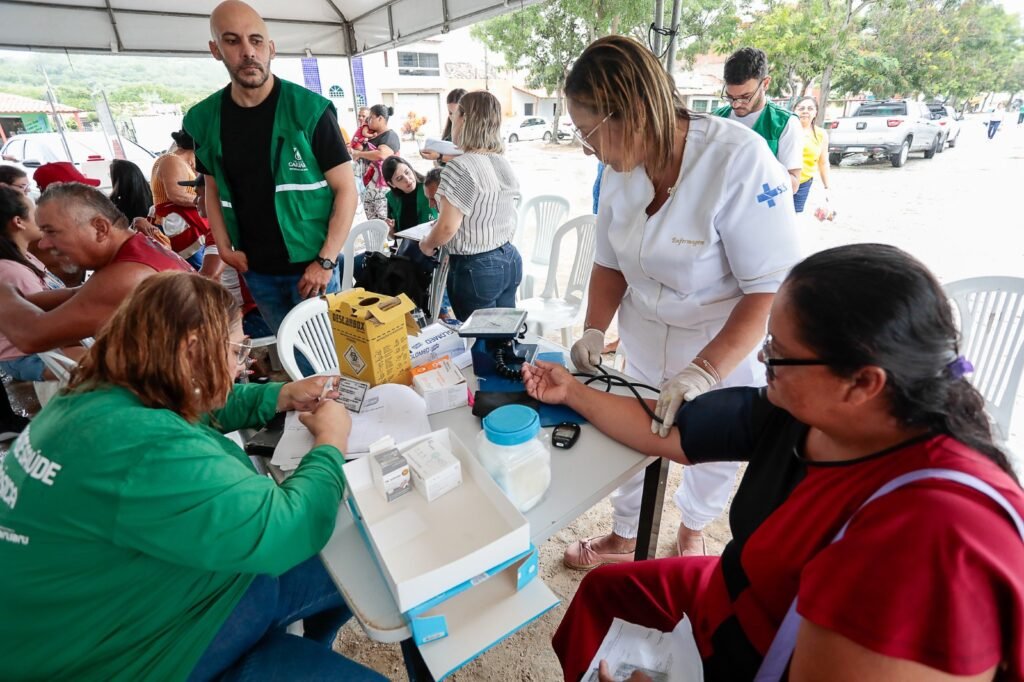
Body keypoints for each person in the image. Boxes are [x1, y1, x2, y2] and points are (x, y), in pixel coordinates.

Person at [530, 243, 1024, 681]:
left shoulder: (935, 540)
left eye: (780, 353)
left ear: (863, 382)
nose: (764, 362)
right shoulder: (810, 410)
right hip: (745, 592)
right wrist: (572, 392)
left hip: (773, 642)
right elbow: (673, 431)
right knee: (606, 591)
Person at [0, 272, 387, 681]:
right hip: (134, 654)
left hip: (141, 603)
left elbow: (186, 403)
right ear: (192, 350)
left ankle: (296, 640)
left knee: (360, 555)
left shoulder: (103, 391)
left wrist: (278, 395)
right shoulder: (142, 449)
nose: (243, 366)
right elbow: (289, 525)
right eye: (238, 351)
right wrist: (330, 439)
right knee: (355, 557)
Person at [563, 36, 799, 568]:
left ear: (635, 113)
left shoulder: (737, 160)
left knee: (710, 445)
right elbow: (609, 260)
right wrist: (594, 329)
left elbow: (769, 286)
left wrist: (705, 372)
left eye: (589, 132)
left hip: (719, 339)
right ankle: (625, 531)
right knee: (631, 429)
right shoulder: (618, 169)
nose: (586, 148)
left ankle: (691, 529)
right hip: (646, 330)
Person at [183, 0, 358, 334]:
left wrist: (325, 261)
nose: (248, 52)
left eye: (256, 40)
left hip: (311, 267)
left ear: (271, 48)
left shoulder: (310, 111)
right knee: (289, 351)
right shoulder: (204, 119)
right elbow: (213, 188)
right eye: (232, 41)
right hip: (256, 270)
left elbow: (346, 190)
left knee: (327, 357)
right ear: (215, 50)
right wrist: (223, 248)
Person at [0, 182, 192, 356]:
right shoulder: (135, 247)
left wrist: (4, 293)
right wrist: (17, 299)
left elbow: (32, 337)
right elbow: (77, 294)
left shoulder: (126, 275)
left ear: (100, 228)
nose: (43, 244)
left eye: (51, 232)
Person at [419, 90, 523, 321]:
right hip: (509, 258)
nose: (451, 121)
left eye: (454, 115)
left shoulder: (461, 166)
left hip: (477, 268)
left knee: (481, 343)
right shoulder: (501, 162)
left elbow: (446, 228)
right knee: (504, 339)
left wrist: (426, 245)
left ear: (464, 119)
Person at [0, 186, 86, 382]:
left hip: (41, 345)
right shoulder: (10, 271)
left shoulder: (24, 256)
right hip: (26, 357)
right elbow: (46, 321)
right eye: (35, 212)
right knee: (107, 363)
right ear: (18, 222)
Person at [714, 47, 802, 192]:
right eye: (730, 97)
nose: (736, 104)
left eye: (745, 97)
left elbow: (793, 184)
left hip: (760, 209)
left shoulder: (785, 123)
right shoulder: (717, 119)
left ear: (765, 83)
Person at [150, 129, 211, 268]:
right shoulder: (172, 160)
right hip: (179, 224)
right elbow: (177, 195)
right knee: (200, 270)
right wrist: (211, 202)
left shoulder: (181, 162)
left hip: (186, 223)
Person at [351, 104, 400, 222]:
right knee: (373, 226)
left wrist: (359, 154)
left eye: (370, 117)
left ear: (380, 118)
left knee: (385, 225)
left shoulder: (390, 136)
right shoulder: (371, 136)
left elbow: (381, 154)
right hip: (369, 189)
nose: (368, 121)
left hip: (382, 190)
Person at [792, 96, 831, 214]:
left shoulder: (821, 134)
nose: (805, 111)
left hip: (804, 183)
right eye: (801, 108)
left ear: (815, 112)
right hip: (783, 180)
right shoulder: (785, 130)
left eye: (810, 108)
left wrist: (827, 187)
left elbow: (823, 163)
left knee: (795, 215)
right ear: (794, 111)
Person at [382, 155, 438, 235]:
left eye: (407, 172)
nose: (407, 180)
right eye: (399, 178)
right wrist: (390, 230)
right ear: (392, 184)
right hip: (406, 244)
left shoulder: (430, 187)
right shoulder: (392, 198)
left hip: (432, 241)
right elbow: (393, 236)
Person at [420, 88, 467, 166]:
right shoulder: (448, 136)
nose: (453, 117)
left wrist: (440, 157)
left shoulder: (476, 136)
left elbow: (471, 161)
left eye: (457, 113)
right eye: (450, 113)